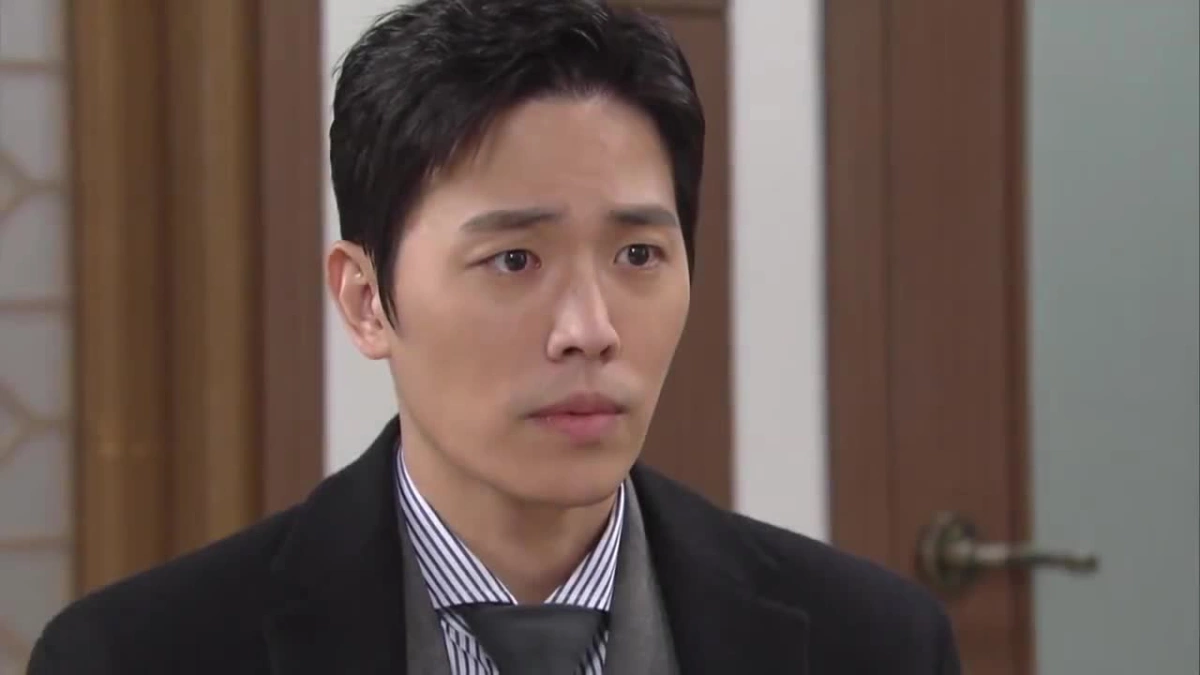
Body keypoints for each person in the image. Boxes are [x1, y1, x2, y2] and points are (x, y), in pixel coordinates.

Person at [29, 1, 961, 673]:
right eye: (514, 260)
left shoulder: (875, 644)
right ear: (366, 299)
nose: (590, 330)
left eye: (638, 254)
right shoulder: (138, 654)